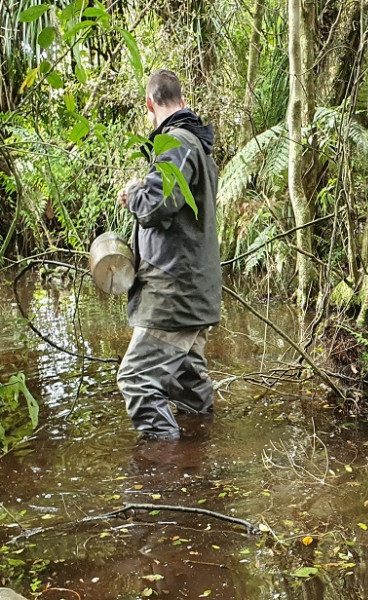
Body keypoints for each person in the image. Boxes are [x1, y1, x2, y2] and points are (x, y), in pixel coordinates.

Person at [117, 69, 222, 440]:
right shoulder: (197, 147)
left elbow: (157, 206)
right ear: (183, 99)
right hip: (191, 293)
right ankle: (202, 467)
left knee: (136, 381)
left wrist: (134, 194)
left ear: (149, 105)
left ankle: (168, 473)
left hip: (173, 296)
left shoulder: (176, 143)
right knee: (189, 388)